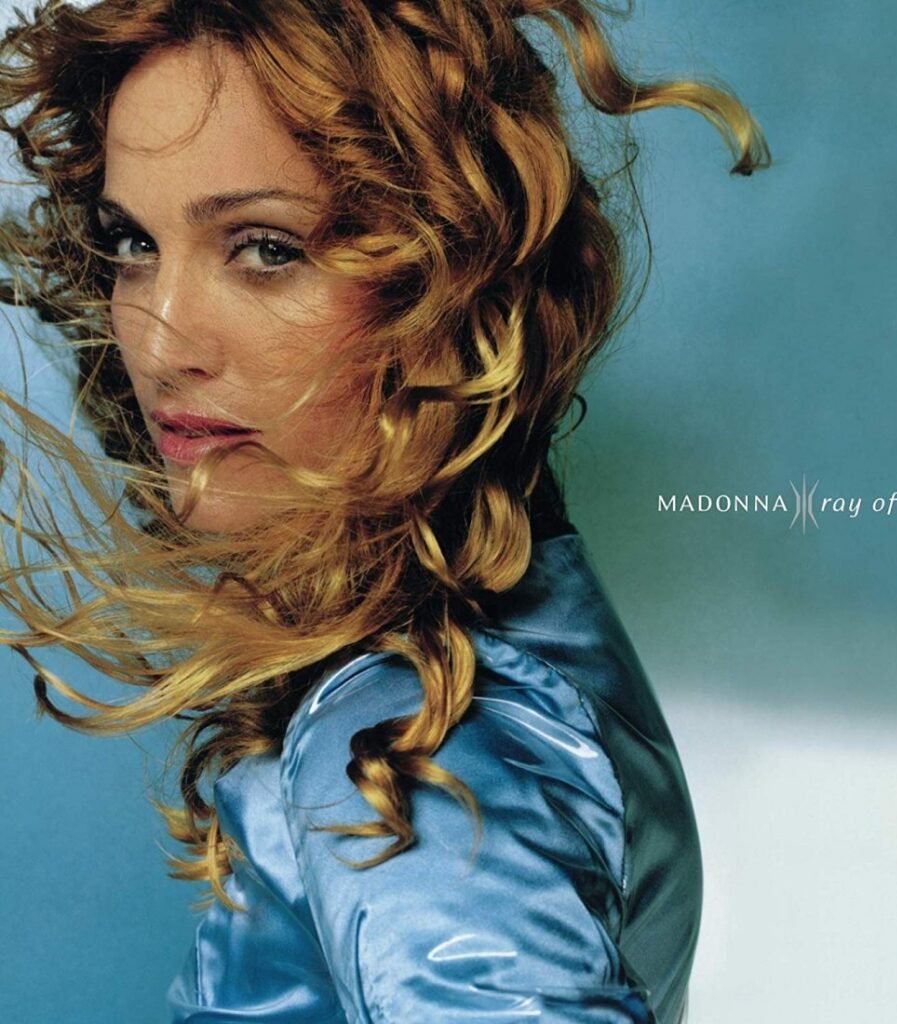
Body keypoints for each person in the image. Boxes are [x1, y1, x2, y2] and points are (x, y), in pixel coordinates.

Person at [0, 1, 768, 1020]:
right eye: (133, 242)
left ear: (449, 280)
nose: (160, 339)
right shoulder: (512, 641)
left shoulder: (416, 743)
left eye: (265, 248)